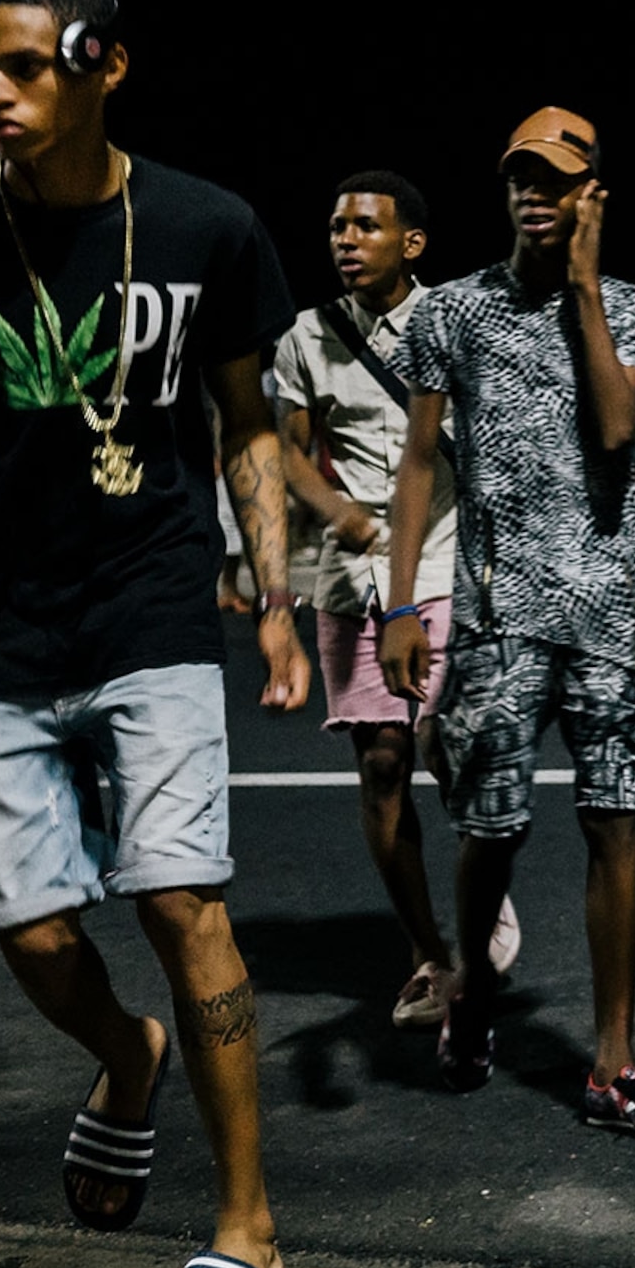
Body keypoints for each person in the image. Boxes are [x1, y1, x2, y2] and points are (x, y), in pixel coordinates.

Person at [0, 0, 310, 1268]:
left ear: (103, 67)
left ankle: (248, 1230)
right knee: (31, 933)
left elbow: (247, 424)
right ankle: (128, 1054)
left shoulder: (207, 225)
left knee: (177, 898)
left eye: (24, 68)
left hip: (151, 601)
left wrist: (272, 596)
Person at [380, 106, 635, 1140]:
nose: (535, 194)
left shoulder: (632, 308)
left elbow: (615, 426)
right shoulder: (451, 315)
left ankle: (611, 1061)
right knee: (493, 830)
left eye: (558, 180)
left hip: (606, 611)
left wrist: (590, 290)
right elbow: (420, 464)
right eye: (521, 175)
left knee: (615, 820)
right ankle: (472, 989)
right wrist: (399, 602)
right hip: (496, 617)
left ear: (593, 193)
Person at [271, 172, 519, 1031]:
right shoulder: (306, 336)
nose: (345, 238)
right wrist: (327, 505)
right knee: (381, 762)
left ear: (411, 242)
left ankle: (484, 891)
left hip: (449, 554)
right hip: (350, 572)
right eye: (336, 225)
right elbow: (288, 451)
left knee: (447, 737)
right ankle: (428, 952)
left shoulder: (456, 318)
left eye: (366, 226)